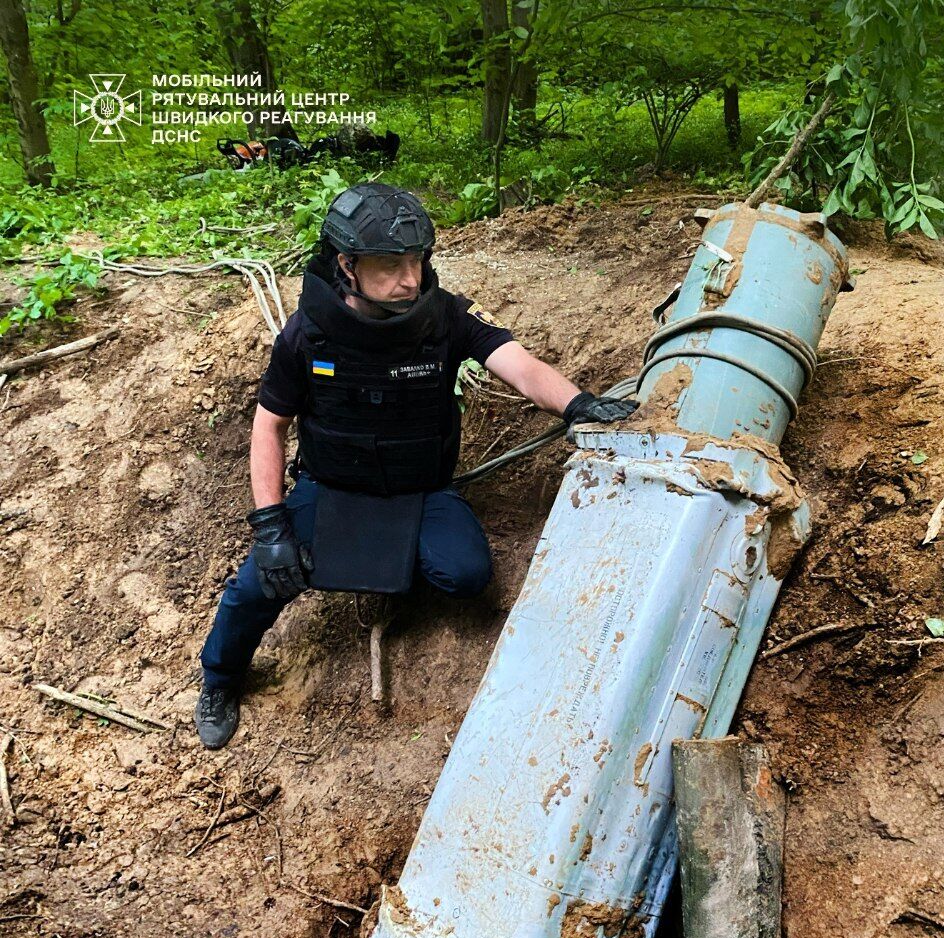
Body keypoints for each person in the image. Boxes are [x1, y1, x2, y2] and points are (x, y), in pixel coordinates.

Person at [194, 183, 637, 750]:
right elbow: (269, 427)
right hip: (328, 488)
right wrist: (271, 526)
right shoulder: (307, 333)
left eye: (417, 260)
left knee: (466, 576)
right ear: (346, 265)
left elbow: (519, 366)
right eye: (391, 265)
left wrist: (577, 404)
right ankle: (219, 679)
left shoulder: (446, 315)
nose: (410, 278)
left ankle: (393, 567)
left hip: (421, 488)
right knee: (259, 584)